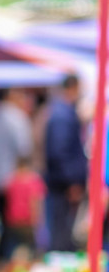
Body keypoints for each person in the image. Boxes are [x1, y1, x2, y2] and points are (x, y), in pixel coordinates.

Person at [0, 88, 34, 269]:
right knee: (16, 221)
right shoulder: (16, 118)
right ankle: (10, 258)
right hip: (13, 179)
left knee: (3, 218)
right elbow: (24, 148)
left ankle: (1, 257)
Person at [45, 74, 88, 252]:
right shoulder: (62, 115)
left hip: (62, 182)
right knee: (62, 234)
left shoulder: (62, 112)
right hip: (62, 185)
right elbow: (60, 152)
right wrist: (72, 182)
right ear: (72, 88)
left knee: (63, 232)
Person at [5, 155, 46, 257]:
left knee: (15, 247)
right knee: (31, 248)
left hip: (13, 220)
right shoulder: (33, 181)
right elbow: (35, 202)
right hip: (28, 220)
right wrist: (38, 219)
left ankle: (15, 265)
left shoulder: (12, 180)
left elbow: (8, 199)